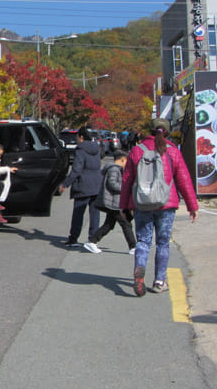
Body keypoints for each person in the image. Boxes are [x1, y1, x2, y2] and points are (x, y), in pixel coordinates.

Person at [119, 118, 199, 296]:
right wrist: (192, 206)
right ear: (167, 132)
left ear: (150, 131)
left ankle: (139, 270)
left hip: (142, 203)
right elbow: (184, 180)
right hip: (166, 204)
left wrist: (124, 206)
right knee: (162, 243)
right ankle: (160, 281)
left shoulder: (137, 150)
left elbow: (127, 180)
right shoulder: (172, 152)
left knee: (143, 241)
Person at [83, 150, 136, 254]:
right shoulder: (114, 169)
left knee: (109, 224)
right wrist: (125, 189)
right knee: (125, 223)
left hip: (113, 201)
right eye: (126, 162)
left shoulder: (114, 169)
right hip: (113, 201)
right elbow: (112, 184)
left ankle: (92, 241)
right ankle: (133, 246)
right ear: (122, 159)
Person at [59, 127, 102, 246]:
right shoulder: (96, 148)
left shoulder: (80, 150)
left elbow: (76, 170)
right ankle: (92, 239)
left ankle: (73, 238)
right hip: (97, 183)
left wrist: (65, 183)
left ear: (81, 137)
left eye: (77, 136)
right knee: (95, 214)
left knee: (78, 213)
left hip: (83, 184)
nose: (76, 139)